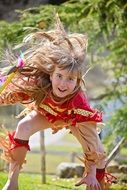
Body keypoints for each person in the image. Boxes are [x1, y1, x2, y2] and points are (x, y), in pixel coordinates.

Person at [0, 14, 115, 190]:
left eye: (70, 79)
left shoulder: (78, 103)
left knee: (98, 153)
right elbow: (13, 95)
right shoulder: (40, 84)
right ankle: (12, 182)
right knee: (24, 126)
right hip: (48, 114)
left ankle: (97, 183)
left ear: (77, 82)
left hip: (73, 118)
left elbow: (90, 142)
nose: (63, 83)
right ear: (51, 75)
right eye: (59, 76)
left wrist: (91, 173)